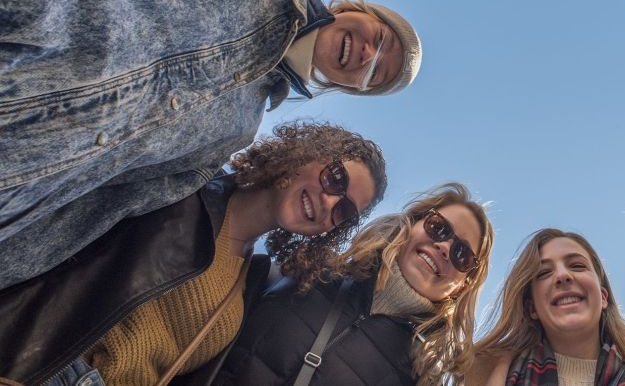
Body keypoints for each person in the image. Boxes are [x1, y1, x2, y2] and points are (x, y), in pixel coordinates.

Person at [0, 0, 422, 290]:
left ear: (350, 88)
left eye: (375, 75)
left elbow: (102, 202)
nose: (369, 54)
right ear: (356, 10)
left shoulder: (236, 130)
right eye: (380, 37)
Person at [0, 121, 388, 386]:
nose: (328, 201)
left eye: (344, 212)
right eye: (335, 179)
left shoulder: (252, 281)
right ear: (307, 154)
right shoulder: (184, 186)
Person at [212, 183, 494, 385]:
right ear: (413, 223)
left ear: (463, 286)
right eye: (438, 228)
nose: (444, 247)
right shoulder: (307, 270)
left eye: (462, 255)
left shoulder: (421, 375)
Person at [470, 228, 625, 385]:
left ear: (604, 297)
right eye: (544, 273)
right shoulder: (481, 376)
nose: (563, 275)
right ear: (532, 309)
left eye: (577, 266)